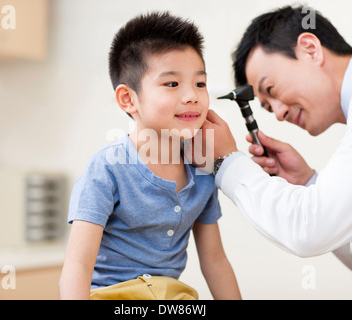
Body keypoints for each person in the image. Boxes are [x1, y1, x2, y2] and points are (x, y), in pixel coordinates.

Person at [59, 12, 241, 300]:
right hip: (114, 297)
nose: (192, 96)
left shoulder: (202, 166)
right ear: (128, 99)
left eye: (200, 84)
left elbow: (215, 260)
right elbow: (77, 265)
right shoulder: (107, 169)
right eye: (172, 84)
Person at [201, 5, 352, 281]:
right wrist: (307, 182)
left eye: (271, 90)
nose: (278, 113)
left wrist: (227, 162)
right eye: (266, 105)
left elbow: (309, 231)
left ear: (310, 48)